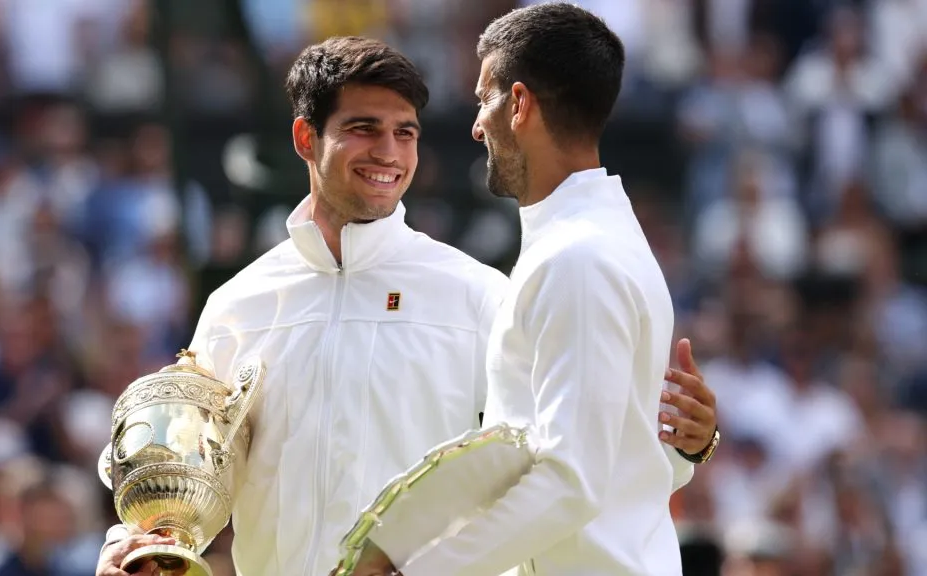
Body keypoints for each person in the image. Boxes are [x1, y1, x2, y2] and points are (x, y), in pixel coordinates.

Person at [97, 35, 717, 576]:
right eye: (364, 128)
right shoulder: (236, 306)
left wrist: (686, 446)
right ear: (305, 137)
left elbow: (583, 465)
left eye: (406, 133)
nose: (389, 153)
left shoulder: (481, 294)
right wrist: (141, 544)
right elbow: (195, 489)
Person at [360, 4, 717, 575]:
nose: (477, 124)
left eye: (485, 98)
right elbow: (624, 458)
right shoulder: (594, 241)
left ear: (520, 104)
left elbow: (569, 479)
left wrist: (419, 570)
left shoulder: (577, 259)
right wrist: (688, 445)